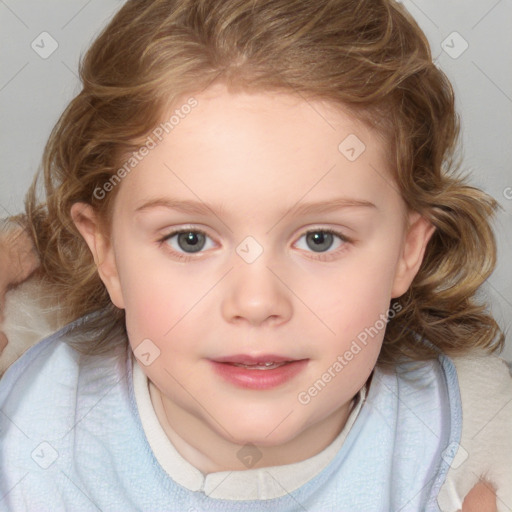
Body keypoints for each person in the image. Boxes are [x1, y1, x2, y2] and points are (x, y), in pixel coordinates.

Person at [0, 0, 510, 510]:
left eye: (320, 239)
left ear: (407, 250)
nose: (257, 301)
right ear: (106, 254)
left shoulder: (467, 445)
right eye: (190, 240)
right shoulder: (27, 436)